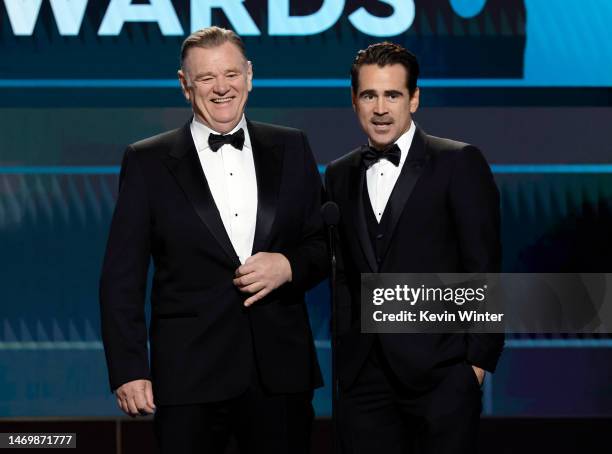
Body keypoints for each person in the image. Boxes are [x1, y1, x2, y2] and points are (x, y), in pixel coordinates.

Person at [99, 26, 327, 454]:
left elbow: (323, 244)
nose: (221, 88)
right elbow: (121, 275)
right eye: (205, 78)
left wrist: (289, 266)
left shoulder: (291, 147)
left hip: (279, 375)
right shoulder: (147, 161)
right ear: (185, 85)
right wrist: (129, 368)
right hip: (189, 379)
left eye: (231, 74)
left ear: (250, 75)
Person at [324, 42, 503, 453]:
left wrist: (474, 366)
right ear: (354, 101)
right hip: (364, 380)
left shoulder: (459, 162)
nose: (381, 108)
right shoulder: (339, 174)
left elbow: (485, 268)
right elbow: (344, 272)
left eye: (393, 95)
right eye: (370, 95)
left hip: (441, 376)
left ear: (414, 99)